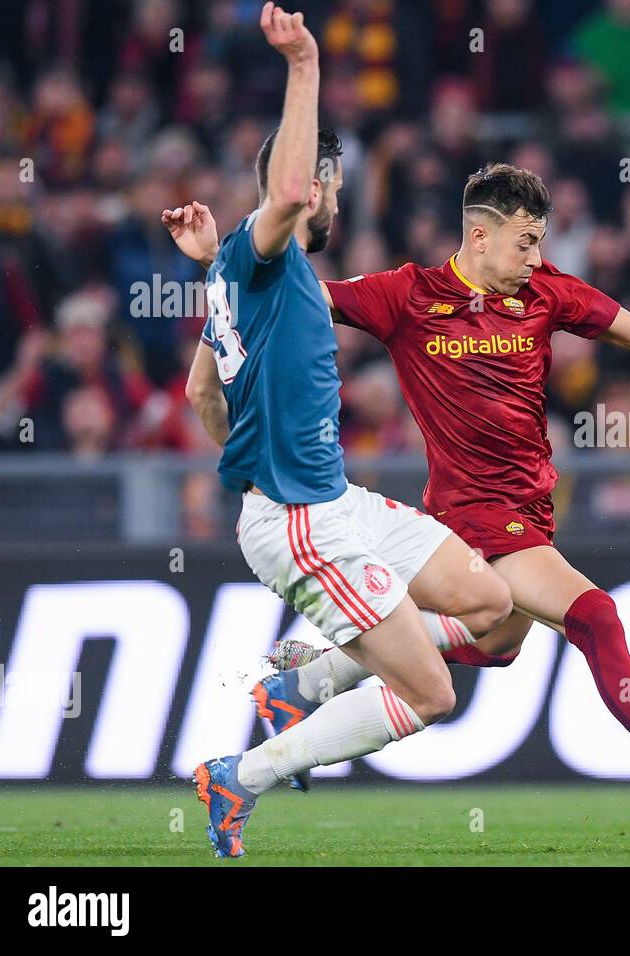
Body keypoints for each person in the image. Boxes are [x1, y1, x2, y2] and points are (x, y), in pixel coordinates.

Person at [173, 162, 630, 841]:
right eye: (525, 242)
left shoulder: (546, 293)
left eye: (539, 242)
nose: (536, 258)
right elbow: (287, 292)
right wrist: (219, 259)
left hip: (530, 514)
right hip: (469, 517)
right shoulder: (407, 296)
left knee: (500, 641)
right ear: (479, 236)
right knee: (595, 617)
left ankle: (313, 681)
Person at [167, 3, 510, 858]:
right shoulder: (264, 247)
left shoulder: (253, 278)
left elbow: (200, 392)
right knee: (432, 695)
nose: (335, 199)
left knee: (497, 611)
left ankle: (305, 684)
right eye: (332, 184)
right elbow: (282, 193)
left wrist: (253, 450)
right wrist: (305, 63)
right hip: (299, 519)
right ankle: (238, 776)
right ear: (313, 187)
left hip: (331, 502)